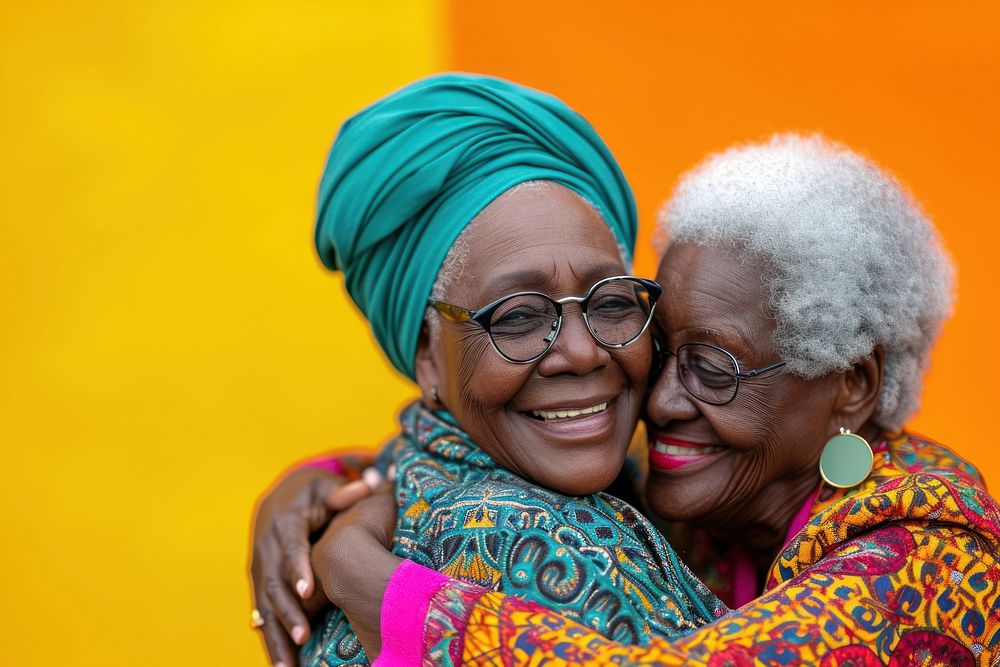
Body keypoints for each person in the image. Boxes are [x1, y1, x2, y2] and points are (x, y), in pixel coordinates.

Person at [253, 133, 1000, 665]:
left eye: (712, 366)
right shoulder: (712, 490)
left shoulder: (927, 551)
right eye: (662, 345)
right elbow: (452, 449)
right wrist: (316, 484)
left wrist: (370, 580)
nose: (659, 399)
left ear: (851, 383)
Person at [253, 73, 728, 667]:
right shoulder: (524, 543)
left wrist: (323, 475)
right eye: (517, 316)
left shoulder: (407, 484)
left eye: (609, 302)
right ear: (428, 352)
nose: (582, 353)